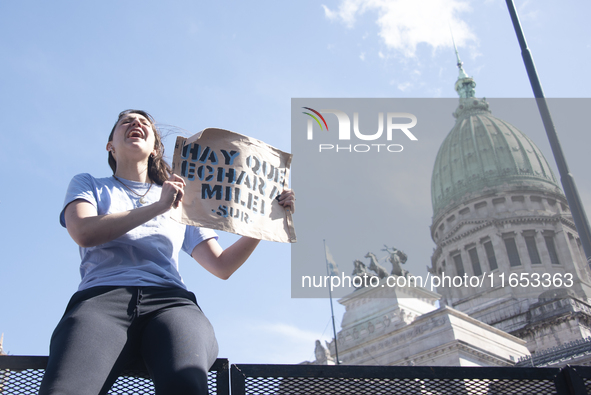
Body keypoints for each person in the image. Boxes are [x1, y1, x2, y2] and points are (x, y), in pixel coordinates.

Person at [38, 109, 295, 395]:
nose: (136, 123)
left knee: (186, 386)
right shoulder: (90, 185)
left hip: (170, 304)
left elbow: (222, 266)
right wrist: (159, 207)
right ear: (110, 145)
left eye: (144, 122)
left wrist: (263, 222)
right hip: (101, 300)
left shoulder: (182, 200)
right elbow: (85, 232)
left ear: (156, 149)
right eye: (126, 122)